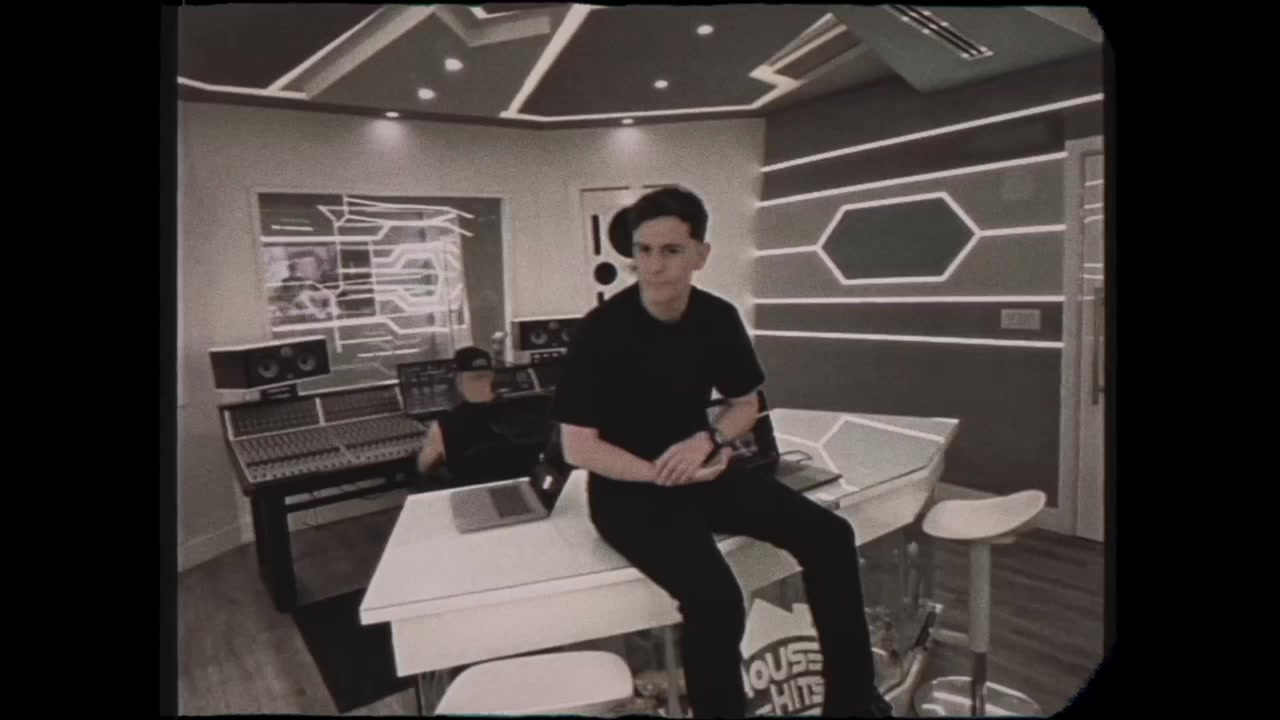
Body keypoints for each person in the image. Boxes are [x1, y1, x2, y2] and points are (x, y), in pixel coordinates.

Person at [551, 186, 892, 718]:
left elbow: (744, 404)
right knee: (715, 601)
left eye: (671, 250)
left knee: (831, 536)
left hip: (704, 471)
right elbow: (578, 447)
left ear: (701, 254)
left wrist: (708, 440)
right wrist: (659, 473)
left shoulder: (716, 317)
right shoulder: (600, 332)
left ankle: (852, 702)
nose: (654, 265)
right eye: (643, 250)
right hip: (627, 491)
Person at [415, 346, 545, 486]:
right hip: (525, 489)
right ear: (493, 377)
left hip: (472, 495)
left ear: (458, 380)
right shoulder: (527, 409)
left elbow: (424, 467)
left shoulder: (444, 424)